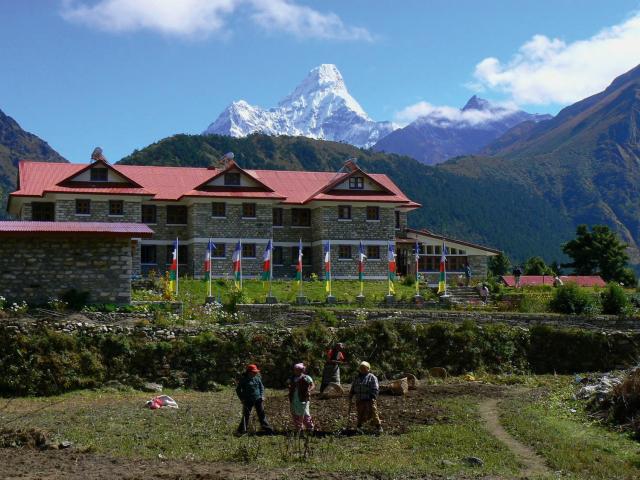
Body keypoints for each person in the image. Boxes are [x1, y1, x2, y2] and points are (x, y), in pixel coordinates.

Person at [236, 364, 273, 435]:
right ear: (249, 372)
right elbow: (238, 390)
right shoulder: (244, 380)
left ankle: (268, 431)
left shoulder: (257, 378)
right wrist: (242, 399)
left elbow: (261, 387)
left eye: (256, 372)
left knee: (262, 415)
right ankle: (241, 431)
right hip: (248, 400)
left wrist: (262, 395)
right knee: (246, 415)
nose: (255, 373)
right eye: (254, 372)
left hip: (258, 399)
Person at [349, 361, 382, 434]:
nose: (362, 369)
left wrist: (373, 396)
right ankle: (359, 427)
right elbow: (354, 387)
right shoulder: (357, 378)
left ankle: (378, 427)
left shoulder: (372, 377)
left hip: (369, 398)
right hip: (360, 399)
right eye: (361, 368)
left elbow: (375, 387)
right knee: (360, 413)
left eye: (364, 368)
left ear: (368, 369)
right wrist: (351, 393)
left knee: (373, 412)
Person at [288, 363, 315, 432]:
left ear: (301, 370)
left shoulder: (306, 377)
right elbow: (288, 384)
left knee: (305, 413)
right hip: (294, 398)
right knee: (295, 413)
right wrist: (290, 387)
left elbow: (312, 385)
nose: (296, 371)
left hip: (303, 398)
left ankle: (310, 428)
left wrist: (309, 390)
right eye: (295, 370)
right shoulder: (292, 378)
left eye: (297, 370)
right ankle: (299, 428)